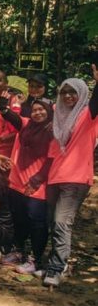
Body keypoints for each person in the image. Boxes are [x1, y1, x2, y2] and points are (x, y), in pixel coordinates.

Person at [0, 99, 54, 275]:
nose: (37, 113)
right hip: (17, 181)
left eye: (42, 109)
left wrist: (37, 179)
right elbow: (10, 116)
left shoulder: (53, 130)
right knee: (19, 218)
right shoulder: (26, 124)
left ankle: (36, 260)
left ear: (49, 111)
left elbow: (52, 158)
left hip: (37, 184)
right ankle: (19, 251)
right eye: (35, 109)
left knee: (37, 222)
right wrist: (3, 105)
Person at [41, 68, 98, 287]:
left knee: (61, 222)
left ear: (82, 94)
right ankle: (58, 262)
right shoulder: (58, 121)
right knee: (51, 222)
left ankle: (57, 268)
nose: (68, 96)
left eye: (73, 92)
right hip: (55, 178)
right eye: (64, 92)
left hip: (76, 178)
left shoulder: (88, 115)